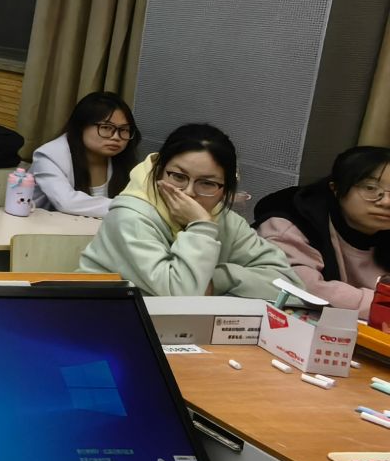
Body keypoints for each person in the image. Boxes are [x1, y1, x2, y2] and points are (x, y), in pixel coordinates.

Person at [81, 124, 290, 298]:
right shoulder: (129, 217)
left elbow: (289, 286)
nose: (189, 192)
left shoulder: (224, 219)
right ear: (158, 171)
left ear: (225, 190)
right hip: (101, 320)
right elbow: (181, 296)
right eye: (178, 177)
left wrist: (219, 279)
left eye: (207, 183)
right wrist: (200, 227)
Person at [255, 146, 390, 317]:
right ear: (336, 188)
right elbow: (303, 288)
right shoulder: (291, 224)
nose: (386, 202)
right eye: (370, 188)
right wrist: (380, 305)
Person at [30, 92, 140, 217]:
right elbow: (67, 203)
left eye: (124, 129)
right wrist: (129, 207)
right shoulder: (49, 155)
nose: (116, 137)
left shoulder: (123, 159)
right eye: (106, 127)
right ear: (81, 126)